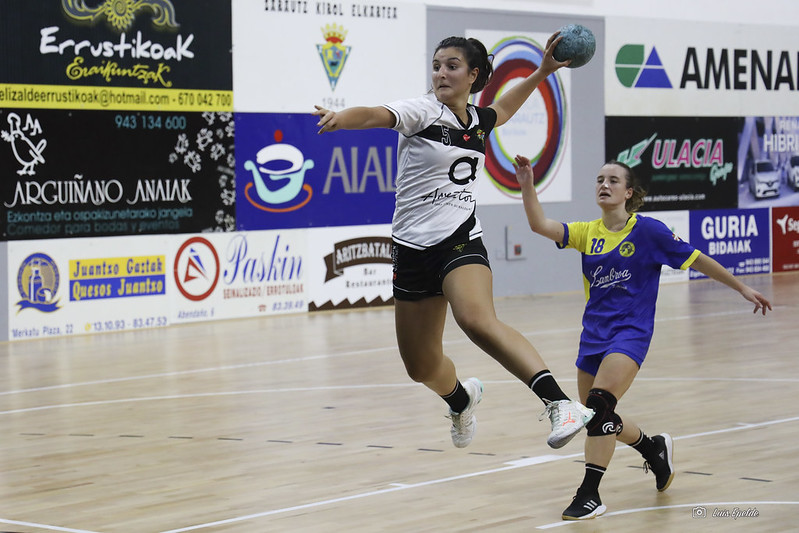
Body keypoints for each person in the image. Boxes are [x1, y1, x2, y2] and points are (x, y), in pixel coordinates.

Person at [313, 34, 594, 450]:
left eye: (451, 66)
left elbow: (504, 108)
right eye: (436, 66)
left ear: (473, 75)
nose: (441, 73)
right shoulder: (422, 112)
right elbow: (374, 114)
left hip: (461, 239)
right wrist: (342, 117)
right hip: (412, 250)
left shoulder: (478, 121)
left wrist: (542, 71)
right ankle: (461, 400)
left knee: (476, 319)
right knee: (420, 366)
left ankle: (561, 404)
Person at [513, 155, 772, 520]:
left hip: (630, 335)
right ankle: (653, 449)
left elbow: (697, 258)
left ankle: (589, 494)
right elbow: (539, 225)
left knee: (598, 407)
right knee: (595, 417)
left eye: (613, 180)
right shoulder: (587, 232)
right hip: (593, 337)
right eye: (600, 179)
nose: (604, 185)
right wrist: (527, 185)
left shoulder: (649, 231)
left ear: (628, 192)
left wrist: (741, 287)